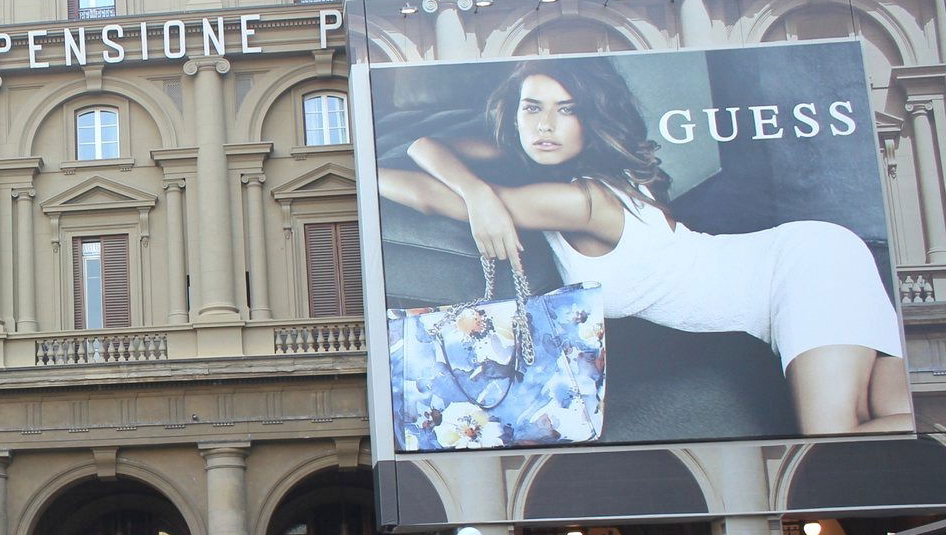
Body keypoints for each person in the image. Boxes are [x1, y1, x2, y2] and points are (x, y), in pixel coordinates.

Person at [379, 59, 912, 437]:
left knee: (835, 439)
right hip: (804, 259)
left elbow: (425, 195)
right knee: (896, 416)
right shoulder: (541, 158)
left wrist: (360, 174)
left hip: (801, 270)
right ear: (514, 114)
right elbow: (425, 146)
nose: (544, 125)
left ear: (592, 120)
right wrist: (478, 193)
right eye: (531, 108)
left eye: (566, 110)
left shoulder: (583, 200)